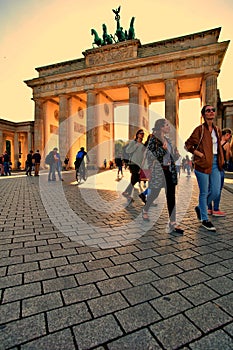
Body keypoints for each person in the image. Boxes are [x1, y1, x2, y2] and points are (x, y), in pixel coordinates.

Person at [185, 105, 224, 231]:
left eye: (213, 110)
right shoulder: (199, 130)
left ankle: (200, 207)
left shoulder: (217, 130)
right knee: (203, 192)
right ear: (203, 114)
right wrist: (199, 154)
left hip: (215, 163)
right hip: (202, 164)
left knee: (216, 191)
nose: (211, 112)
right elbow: (188, 145)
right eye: (208, 110)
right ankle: (204, 219)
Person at [142, 119, 184, 234]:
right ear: (161, 127)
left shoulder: (169, 140)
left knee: (171, 196)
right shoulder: (153, 140)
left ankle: (173, 222)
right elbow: (151, 156)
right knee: (154, 194)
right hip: (158, 172)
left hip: (169, 172)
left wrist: (175, 156)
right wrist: (162, 149)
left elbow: (170, 158)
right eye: (166, 125)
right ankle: (145, 209)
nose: (169, 127)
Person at [208, 128, 232, 216]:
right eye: (230, 135)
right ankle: (216, 209)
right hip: (220, 167)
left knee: (210, 187)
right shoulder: (227, 144)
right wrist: (227, 163)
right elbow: (227, 156)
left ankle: (209, 208)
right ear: (227, 134)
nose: (230, 137)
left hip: (211, 166)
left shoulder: (214, 142)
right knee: (218, 188)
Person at [122, 129, 145, 203]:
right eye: (141, 133)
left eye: (143, 134)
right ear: (137, 134)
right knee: (135, 178)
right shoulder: (133, 142)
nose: (142, 135)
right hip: (133, 163)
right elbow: (128, 151)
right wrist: (136, 145)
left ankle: (127, 194)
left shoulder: (142, 144)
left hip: (139, 165)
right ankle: (127, 193)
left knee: (135, 179)